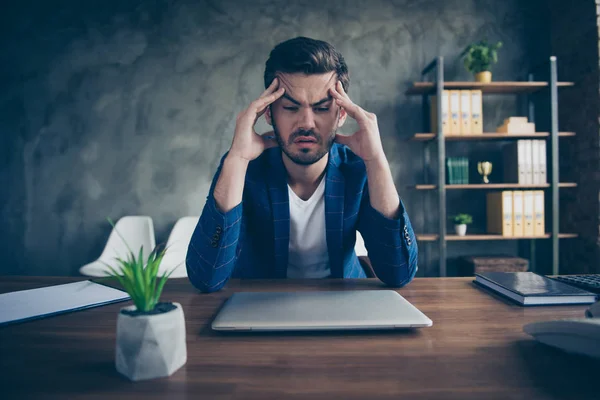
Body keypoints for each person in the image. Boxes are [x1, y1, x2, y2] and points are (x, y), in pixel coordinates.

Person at [186, 36, 418, 293]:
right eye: (290, 107)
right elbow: (205, 279)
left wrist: (376, 161)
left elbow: (399, 274)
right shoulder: (243, 168)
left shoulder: (358, 169)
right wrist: (237, 159)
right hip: (260, 308)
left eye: (321, 108)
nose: (306, 122)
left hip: (344, 306)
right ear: (268, 113)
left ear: (342, 113)